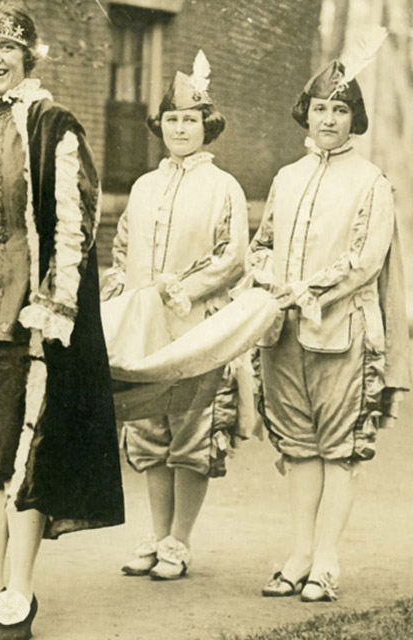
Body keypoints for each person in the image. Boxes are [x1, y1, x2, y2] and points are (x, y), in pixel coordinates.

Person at [0, 4, 123, 639]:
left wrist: (55, 305)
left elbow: (76, 225)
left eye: (7, 50)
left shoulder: (51, 126)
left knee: (22, 451)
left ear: (27, 57)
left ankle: (19, 591)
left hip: (24, 310)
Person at [249, 40, 409, 602]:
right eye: (320, 108)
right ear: (306, 113)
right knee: (298, 447)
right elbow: (262, 241)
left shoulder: (370, 181)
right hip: (284, 334)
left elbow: (366, 259)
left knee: (340, 447)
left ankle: (326, 561)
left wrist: (308, 289)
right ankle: (298, 554)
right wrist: (271, 281)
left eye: (339, 110)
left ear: (354, 120)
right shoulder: (287, 177)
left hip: (341, 333)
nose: (328, 119)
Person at [101, 51, 248, 581]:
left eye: (190, 120)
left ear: (206, 126)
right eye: (172, 120)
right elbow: (121, 249)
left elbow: (231, 255)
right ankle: (157, 532)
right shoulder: (144, 186)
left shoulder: (222, 186)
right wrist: (122, 288)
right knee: (149, 431)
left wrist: (184, 288)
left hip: (196, 325)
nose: (180, 128)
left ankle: (180, 540)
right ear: (159, 126)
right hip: (147, 327)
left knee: (192, 431)